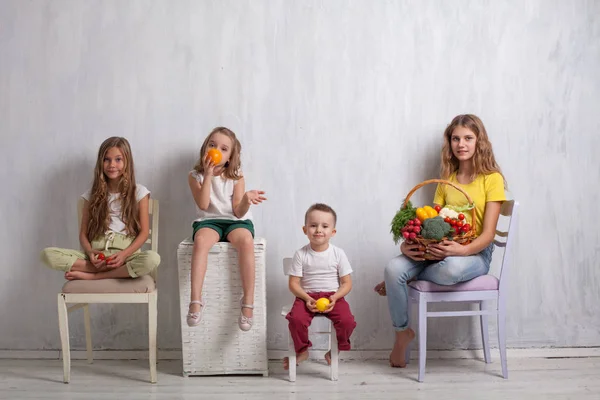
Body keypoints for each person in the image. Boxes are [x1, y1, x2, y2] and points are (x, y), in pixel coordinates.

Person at [374, 114, 506, 367]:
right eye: (456, 138)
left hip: (475, 254)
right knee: (393, 268)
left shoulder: (492, 179)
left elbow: (488, 234)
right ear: (450, 143)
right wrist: (406, 245)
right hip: (438, 251)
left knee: (450, 270)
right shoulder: (447, 180)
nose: (461, 144)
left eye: (468, 138)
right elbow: (431, 223)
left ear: (480, 142)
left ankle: (408, 278)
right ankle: (402, 333)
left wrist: (463, 250)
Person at [41, 137, 160, 280]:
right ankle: (106, 270)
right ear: (100, 163)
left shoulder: (139, 192)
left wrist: (123, 255)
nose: (112, 165)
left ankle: (94, 276)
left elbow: (144, 233)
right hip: (98, 256)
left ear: (127, 162)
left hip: (126, 255)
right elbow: (83, 234)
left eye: (118, 159)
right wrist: (90, 252)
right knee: (47, 254)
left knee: (152, 259)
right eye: (106, 159)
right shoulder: (91, 195)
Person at [186, 127, 266, 331]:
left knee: (246, 241)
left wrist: (247, 200)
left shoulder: (236, 176)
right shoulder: (195, 176)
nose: (216, 150)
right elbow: (204, 205)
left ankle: (248, 302)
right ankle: (196, 300)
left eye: (223, 148)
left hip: (235, 220)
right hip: (209, 221)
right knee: (201, 241)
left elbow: (238, 212)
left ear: (231, 156)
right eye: (212, 145)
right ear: (205, 148)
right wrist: (209, 174)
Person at [283, 203, 357, 370]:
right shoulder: (300, 254)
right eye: (313, 225)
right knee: (295, 320)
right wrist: (307, 298)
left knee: (347, 321)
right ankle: (302, 350)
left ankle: (334, 351)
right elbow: (293, 283)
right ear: (305, 229)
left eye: (324, 226)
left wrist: (335, 297)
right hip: (306, 297)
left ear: (333, 232)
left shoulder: (338, 253)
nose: (318, 230)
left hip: (332, 296)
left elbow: (347, 283)